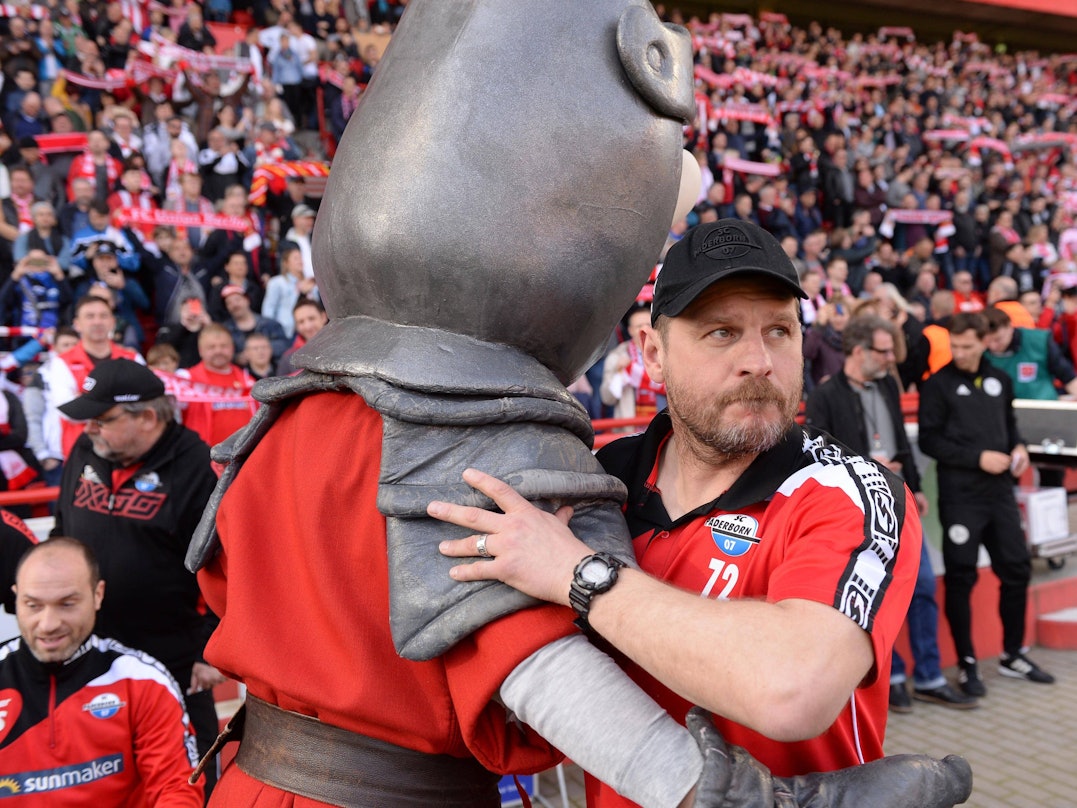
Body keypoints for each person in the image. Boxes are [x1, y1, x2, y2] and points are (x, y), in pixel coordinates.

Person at [429, 220, 929, 791]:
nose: (759, 360)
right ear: (653, 354)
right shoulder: (598, 479)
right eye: (721, 332)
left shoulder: (849, 492)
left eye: (779, 330)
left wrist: (579, 575)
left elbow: (794, 690)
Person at [51, 359, 224, 797]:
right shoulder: (86, 450)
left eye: (101, 419)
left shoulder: (197, 468)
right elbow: (62, 531)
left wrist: (210, 649)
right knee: (99, 776)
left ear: (147, 417)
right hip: (89, 653)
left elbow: (229, 566)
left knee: (185, 777)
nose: (89, 428)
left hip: (172, 659)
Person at [804, 314, 977, 712]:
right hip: (858, 511)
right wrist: (867, 464)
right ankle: (892, 677)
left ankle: (930, 677)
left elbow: (899, 441)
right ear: (858, 350)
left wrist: (915, 487)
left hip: (900, 500)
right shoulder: (825, 396)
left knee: (923, 588)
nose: (890, 359)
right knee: (878, 597)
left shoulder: (886, 385)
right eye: (883, 351)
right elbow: (817, 455)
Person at [0, 537, 204, 805]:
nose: (48, 624)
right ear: (16, 597)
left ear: (98, 595)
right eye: (33, 605)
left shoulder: (142, 681)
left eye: (67, 604)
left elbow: (177, 788)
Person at [918, 312, 1056, 697]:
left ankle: (1013, 654)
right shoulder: (938, 384)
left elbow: (1010, 426)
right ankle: (967, 663)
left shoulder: (1000, 379)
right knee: (961, 577)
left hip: (1000, 494)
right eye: (955, 345)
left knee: (1017, 568)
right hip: (961, 497)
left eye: (967, 346)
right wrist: (977, 458)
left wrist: (1019, 448)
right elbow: (930, 440)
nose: (960, 352)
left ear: (984, 342)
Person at [39, 294, 145, 460]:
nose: (97, 321)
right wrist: (120, 402)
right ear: (77, 324)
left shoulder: (132, 358)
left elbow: (145, 403)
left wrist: (87, 400)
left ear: (113, 321)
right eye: (90, 316)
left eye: (103, 316)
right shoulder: (61, 362)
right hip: (82, 452)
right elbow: (69, 411)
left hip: (129, 449)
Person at [181, 324, 257, 447]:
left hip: (245, 453)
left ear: (232, 348)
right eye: (211, 347)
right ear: (200, 351)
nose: (218, 351)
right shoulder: (186, 380)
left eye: (224, 346)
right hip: (204, 454)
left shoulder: (247, 380)